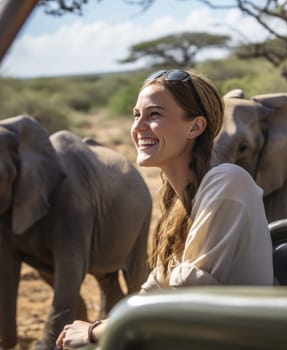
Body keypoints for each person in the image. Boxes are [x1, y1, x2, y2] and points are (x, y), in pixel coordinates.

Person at [56, 69, 273, 349]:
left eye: (154, 114)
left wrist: (97, 330)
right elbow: (157, 287)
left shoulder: (228, 181)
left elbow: (189, 295)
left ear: (195, 127)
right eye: (137, 115)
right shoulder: (176, 199)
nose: (138, 127)